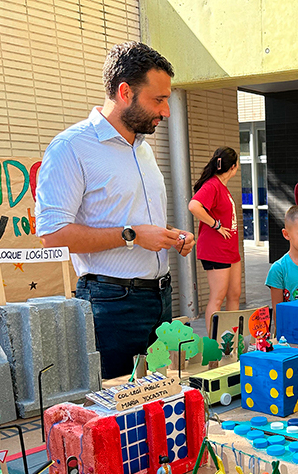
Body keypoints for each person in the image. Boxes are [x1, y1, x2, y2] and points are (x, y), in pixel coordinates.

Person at [36, 42, 194, 380]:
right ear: (125, 92)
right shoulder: (70, 148)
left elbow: (130, 217)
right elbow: (52, 235)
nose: (166, 112)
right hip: (111, 304)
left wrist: (167, 234)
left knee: (160, 403)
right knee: (116, 414)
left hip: (160, 298)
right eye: (158, 99)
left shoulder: (143, 148)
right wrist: (133, 236)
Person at [189, 147, 242, 335]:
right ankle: (215, 343)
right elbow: (194, 205)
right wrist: (216, 225)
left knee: (234, 294)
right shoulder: (212, 185)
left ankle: (232, 339)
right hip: (215, 249)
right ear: (234, 167)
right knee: (217, 297)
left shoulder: (222, 186)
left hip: (230, 249)